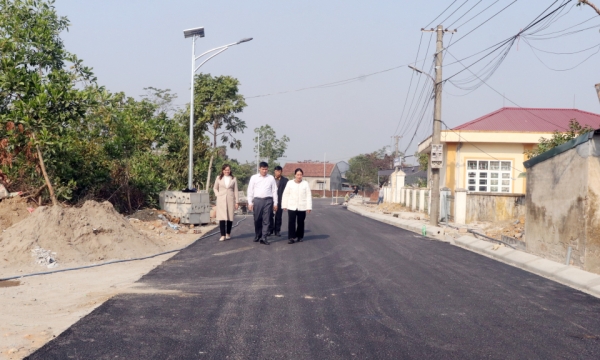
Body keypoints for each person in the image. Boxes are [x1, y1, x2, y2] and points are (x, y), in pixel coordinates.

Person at [247, 162, 278, 245]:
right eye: (263, 169)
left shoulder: (271, 178)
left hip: (268, 200)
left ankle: (264, 237)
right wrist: (250, 202)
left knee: (266, 219)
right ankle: (258, 234)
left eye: (266, 169)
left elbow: (274, 191)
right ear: (259, 169)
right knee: (257, 219)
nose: (264, 171)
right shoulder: (254, 178)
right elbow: (250, 190)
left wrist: (275, 203)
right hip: (257, 200)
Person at [281, 168, 312, 244]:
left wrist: (309, 207)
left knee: (301, 222)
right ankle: (291, 237)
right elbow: (286, 194)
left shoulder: (305, 183)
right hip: (292, 206)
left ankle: (299, 236)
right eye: (298, 175)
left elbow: (308, 195)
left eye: (300, 175)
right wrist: (284, 205)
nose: (299, 176)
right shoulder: (290, 183)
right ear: (295, 175)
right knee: (291, 222)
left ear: (302, 175)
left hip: (302, 206)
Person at [213, 164, 239, 241]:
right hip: (221, 200)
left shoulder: (233, 179)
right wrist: (218, 195)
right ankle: (222, 235)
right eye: (225, 170)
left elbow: (236, 191)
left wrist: (237, 202)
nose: (227, 171)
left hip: (230, 199)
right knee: (222, 218)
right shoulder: (219, 178)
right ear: (223, 171)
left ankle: (228, 233)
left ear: (230, 170)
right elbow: (215, 188)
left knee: (229, 217)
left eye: (228, 170)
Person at [269, 165, 288, 237]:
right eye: (276, 171)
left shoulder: (285, 180)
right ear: (274, 171)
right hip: (270, 200)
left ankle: (277, 231)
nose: (277, 173)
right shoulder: (270, 179)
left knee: (278, 216)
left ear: (281, 172)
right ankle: (270, 230)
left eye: (279, 171)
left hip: (280, 201)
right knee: (269, 215)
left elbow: (287, 192)